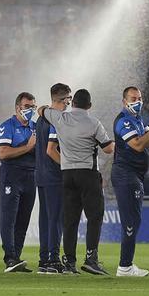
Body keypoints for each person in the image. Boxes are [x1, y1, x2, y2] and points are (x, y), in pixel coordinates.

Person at [35, 88, 115, 276]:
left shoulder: (61, 119)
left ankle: (69, 262)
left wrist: (47, 108)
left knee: (70, 220)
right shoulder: (93, 122)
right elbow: (109, 149)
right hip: (88, 173)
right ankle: (91, 259)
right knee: (94, 216)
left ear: (73, 103)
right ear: (89, 105)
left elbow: (41, 110)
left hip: (67, 173)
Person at [110, 87, 149, 278]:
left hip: (134, 175)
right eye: (133, 98)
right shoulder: (123, 121)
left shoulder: (137, 120)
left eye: (139, 98)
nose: (137, 101)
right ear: (124, 101)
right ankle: (125, 266)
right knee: (131, 221)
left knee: (134, 221)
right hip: (125, 174)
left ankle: (126, 265)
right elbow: (137, 145)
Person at [0, 93, 40, 273]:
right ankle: (10, 257)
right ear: (17, 108)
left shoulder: (36, 128)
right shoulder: (7, 126)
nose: (30, 110)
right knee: (9, 217)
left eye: (33, 107)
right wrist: (28, 147)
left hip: (31, 175)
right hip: (11, 174)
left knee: (24, 218)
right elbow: (3, 153)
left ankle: (16, 257)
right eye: (27, 106)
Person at [34, 83, 68, 274]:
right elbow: (51, 150)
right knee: (56, 219)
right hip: (55, 176)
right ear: (63, 99)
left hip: (41, 175)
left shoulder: (41, 119)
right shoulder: (57, 120)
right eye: (68, 99)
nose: (69, 103)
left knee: (45, 219)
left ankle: (43, 259)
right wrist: (68, 166)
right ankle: (53, 259)